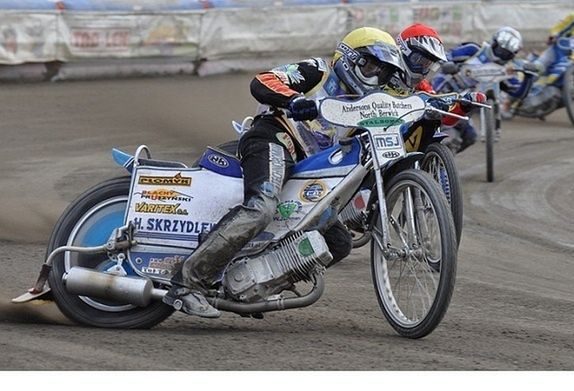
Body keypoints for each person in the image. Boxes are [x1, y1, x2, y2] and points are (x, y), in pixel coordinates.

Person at [162, 27, 407, 318]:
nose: (374, 76)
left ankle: (257, 283)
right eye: (370, 66)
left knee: (338, 242)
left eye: (381, 72)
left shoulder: (364, 102)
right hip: (274, 138)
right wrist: (294, 101)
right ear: (349, 58)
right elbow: (264, 80)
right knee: (261, 208)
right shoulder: (318, 70)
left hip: (307, 165)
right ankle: (186, 283)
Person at [431, 26, 533, 153]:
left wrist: (529, 78)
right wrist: (450, 65)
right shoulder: (473, 50)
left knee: (470, 136)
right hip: (441, 92)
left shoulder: (505, 71)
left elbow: (518, 93)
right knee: (440, 128)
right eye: (501, 50)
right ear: (494, 43)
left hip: (462, 105)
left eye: (507, 54)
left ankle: (440, 163)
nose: (501, 55)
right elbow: (445, 56)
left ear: (512, 55)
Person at [389, 23, 487, 153]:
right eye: (420, 60)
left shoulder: (422, 85)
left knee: (462, 134)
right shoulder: (382, 74)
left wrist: (463, 107)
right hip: (373, 135)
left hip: (401, 141)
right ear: (404, 51)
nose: (424, 67)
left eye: (428, 63)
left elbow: (444, 117)